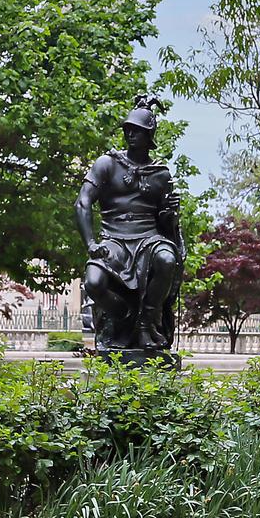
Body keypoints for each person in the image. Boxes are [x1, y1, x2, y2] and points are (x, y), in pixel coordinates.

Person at [76, 94, 182, 357]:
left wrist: (171, 213)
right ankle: (124, 317)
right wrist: (91, 243)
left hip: (148, 238)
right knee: (94, 283)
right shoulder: (106, 164)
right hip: (114, 239)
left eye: (137, 130)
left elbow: (165, 224)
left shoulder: (161, 175)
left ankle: (147, 322)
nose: (130, 134)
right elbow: (82, 204)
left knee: (168, 260)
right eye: (128, 130)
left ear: (149, 136)